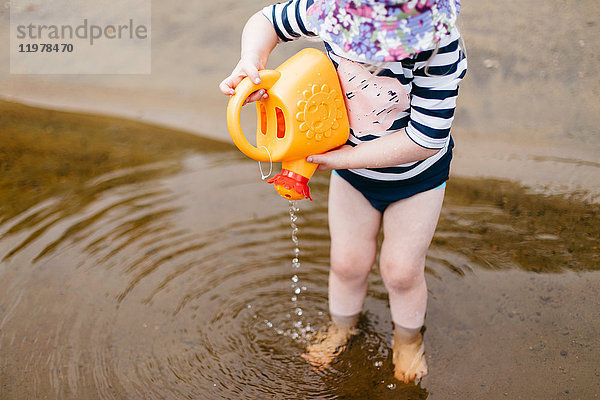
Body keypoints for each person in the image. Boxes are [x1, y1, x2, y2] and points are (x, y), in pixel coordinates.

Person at [219, 0, 466, 384]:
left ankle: (408, 339)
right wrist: (251, 61)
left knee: (401, 272)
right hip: (352, 176)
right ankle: (342, 328)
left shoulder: (439, 47)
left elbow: (425, 139)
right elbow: (265, 20)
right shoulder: (329, 13)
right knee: (346, 264)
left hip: (416, 179)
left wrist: (340, 159)